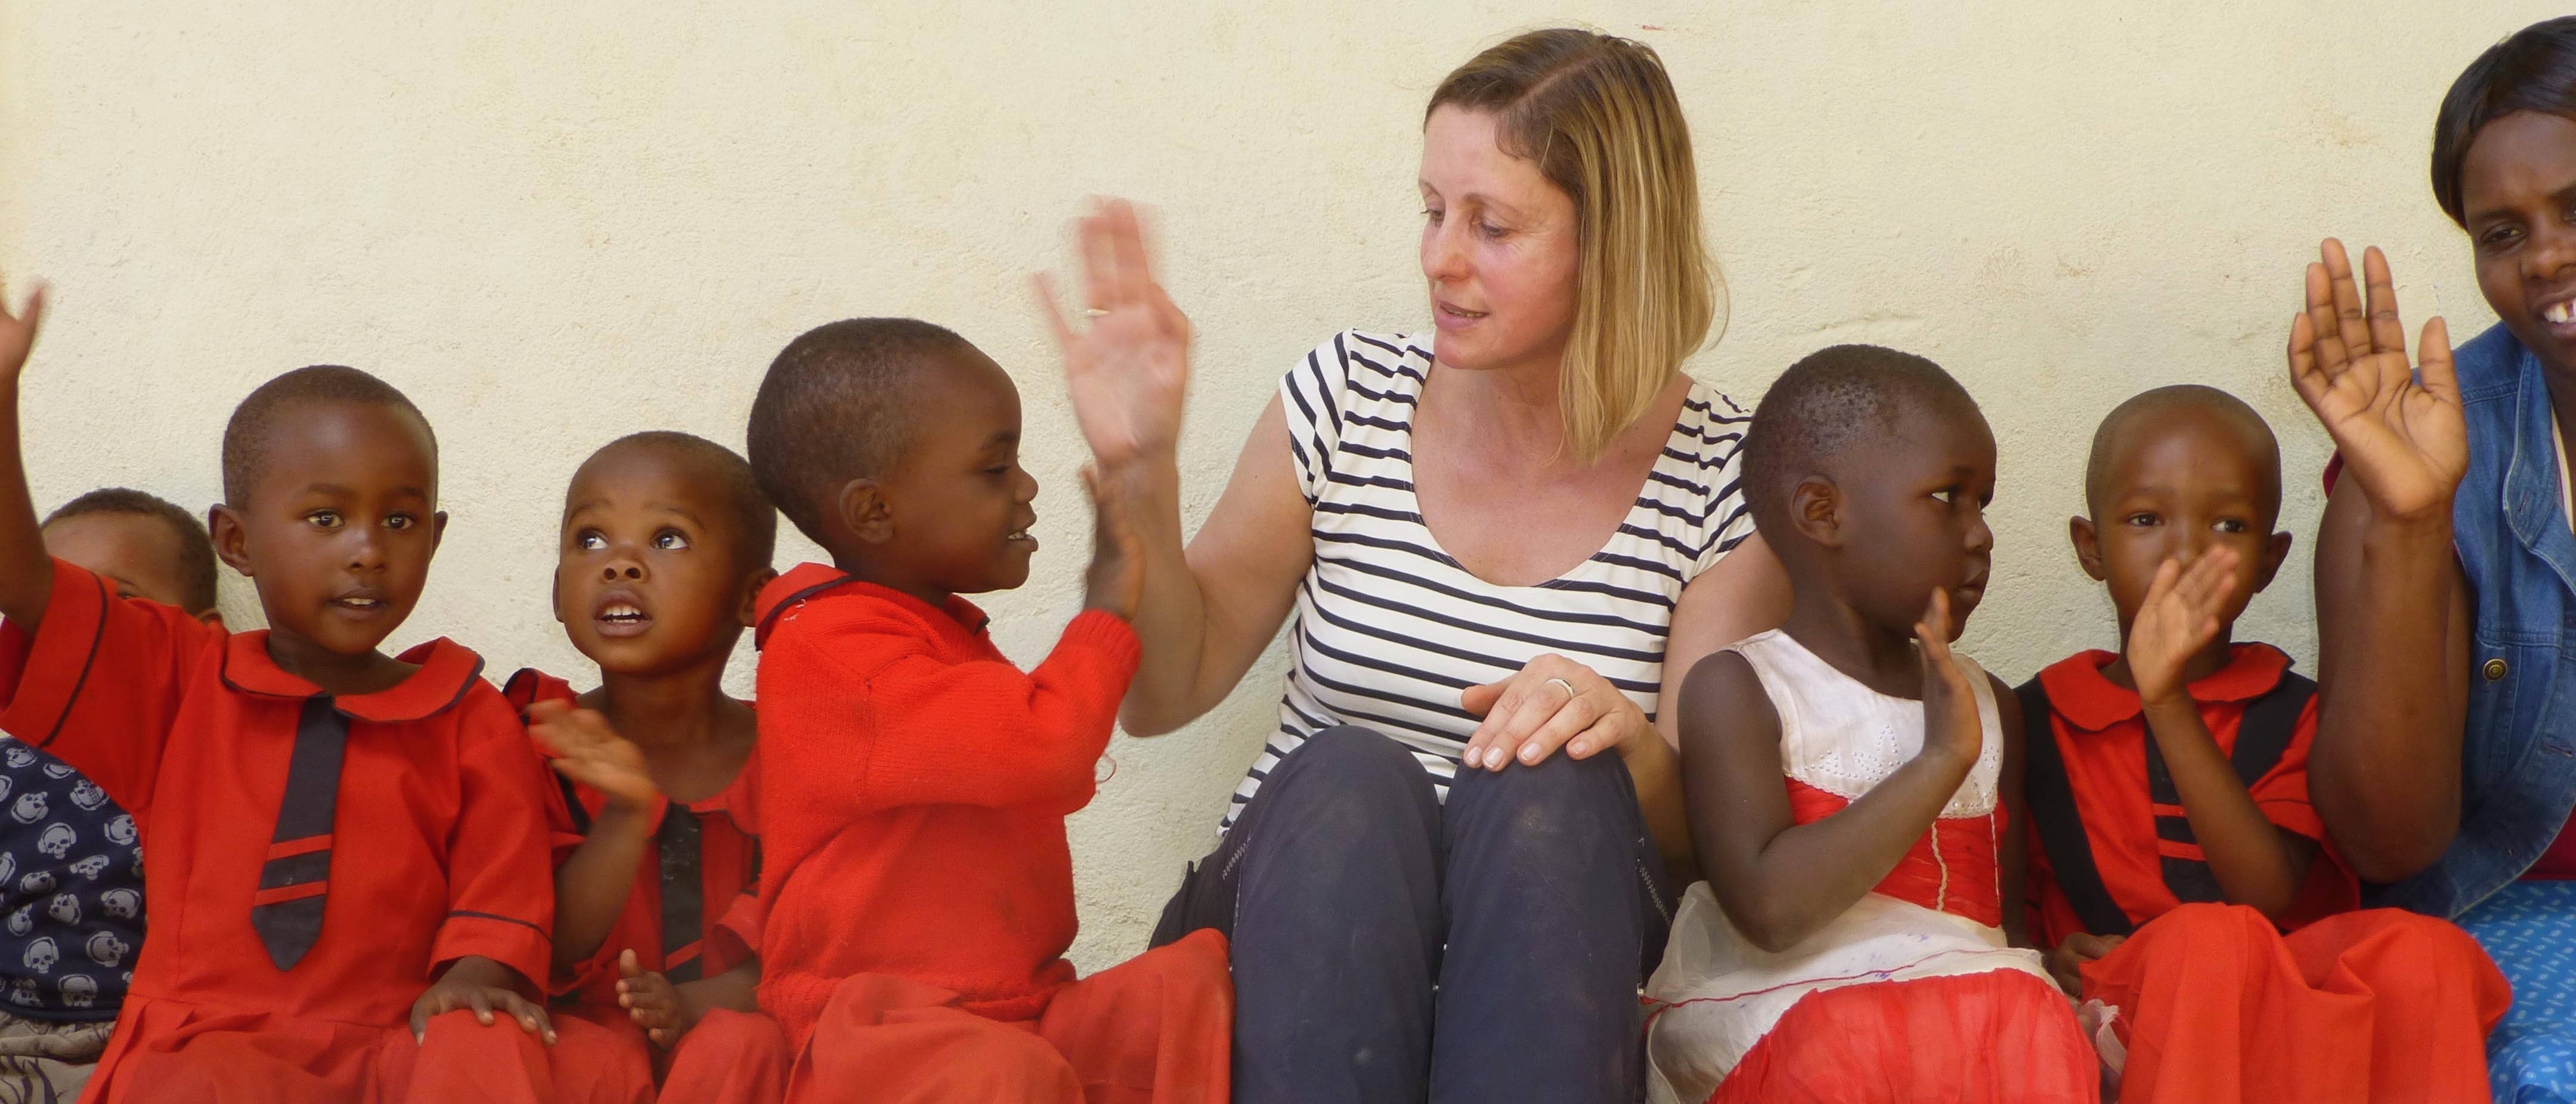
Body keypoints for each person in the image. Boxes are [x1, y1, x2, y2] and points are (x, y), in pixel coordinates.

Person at [1040, 29, 1786, 1103]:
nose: (1441, 256)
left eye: (1493, 225)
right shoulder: (1346, 398)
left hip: (1548, 984)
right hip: (1290, 953)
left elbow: (1707, 836)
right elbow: (1161, 694)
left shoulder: (1724, 473)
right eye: (1433, 209)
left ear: (1615, 243)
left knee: (1554, 776)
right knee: (1353, 774)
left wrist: (1622, 736)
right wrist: (1142, 470)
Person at [0, 286, 575, 1103]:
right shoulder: (181, 678)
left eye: (401, 521)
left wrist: (478, 975)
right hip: (213, 1043)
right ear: (235, 541)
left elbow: (501, 886)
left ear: (436, 536)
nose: (368, 551)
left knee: (488, 1042)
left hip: (395, 1043)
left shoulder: (467, 714)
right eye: (325, 517)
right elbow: (26, 584)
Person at [735, 317, 1230, 1103]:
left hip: (1010, 1005)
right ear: (872, 511)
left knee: (1188, 987)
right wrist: (1104, 609)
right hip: (875, 1030)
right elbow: (1045, 747)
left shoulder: (933, 631)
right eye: (995, 467)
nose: (1027, 487)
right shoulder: (832, 650)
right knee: (1006, 1076)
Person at [2021, 386, 2506, 1103]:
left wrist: (2168, 701)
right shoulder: (2036, 717)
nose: (2186, 551)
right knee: (2207, 943)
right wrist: (2039, 960)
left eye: (2228, 524)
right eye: (2147, 518)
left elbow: (2270, 891)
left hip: (2273, 977)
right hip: (2117, 996)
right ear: (2091, 548)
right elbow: (1995, 902)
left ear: (2271, 560)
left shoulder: (2293, 711)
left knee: (2426, 951)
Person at [1642, 345, 2097, 1104]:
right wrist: (1937, 764)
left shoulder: (1993, 708)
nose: (1981, 534)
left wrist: (2053, 966)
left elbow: (2000, 931)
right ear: (1823, 514)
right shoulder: (1742, 688)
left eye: (1985, 502)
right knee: (1861, 1045)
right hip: (1793, 1027)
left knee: (2031, 1013)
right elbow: (1769, 910)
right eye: (1949, 497)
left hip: (1986, 1028)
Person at [2286, 16, 2576, 1097]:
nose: (2546, 254)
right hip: (2503, 920)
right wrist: (2410, 523)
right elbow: (2387, 839)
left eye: (2574, 209)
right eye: (2502, 233)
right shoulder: (2427, 450)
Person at [504, 432, 791, 1102]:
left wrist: (704, 1004)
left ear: (753, 597)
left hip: (752, 1069)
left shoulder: (794, 753)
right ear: (556, 590)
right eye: (591, 540)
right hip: (586, 1068)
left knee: (743, 1044)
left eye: (667, 540)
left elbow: (818, 943)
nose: (620, 565)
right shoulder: (535, 740)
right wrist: (627, 816)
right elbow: (549, 948)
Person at [0, 489, 210, 1101]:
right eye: (46, 612)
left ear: (199, 636)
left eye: (116, 607)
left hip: (167, 1047)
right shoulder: (10, 771)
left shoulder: (227, 773)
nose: (77, 640)